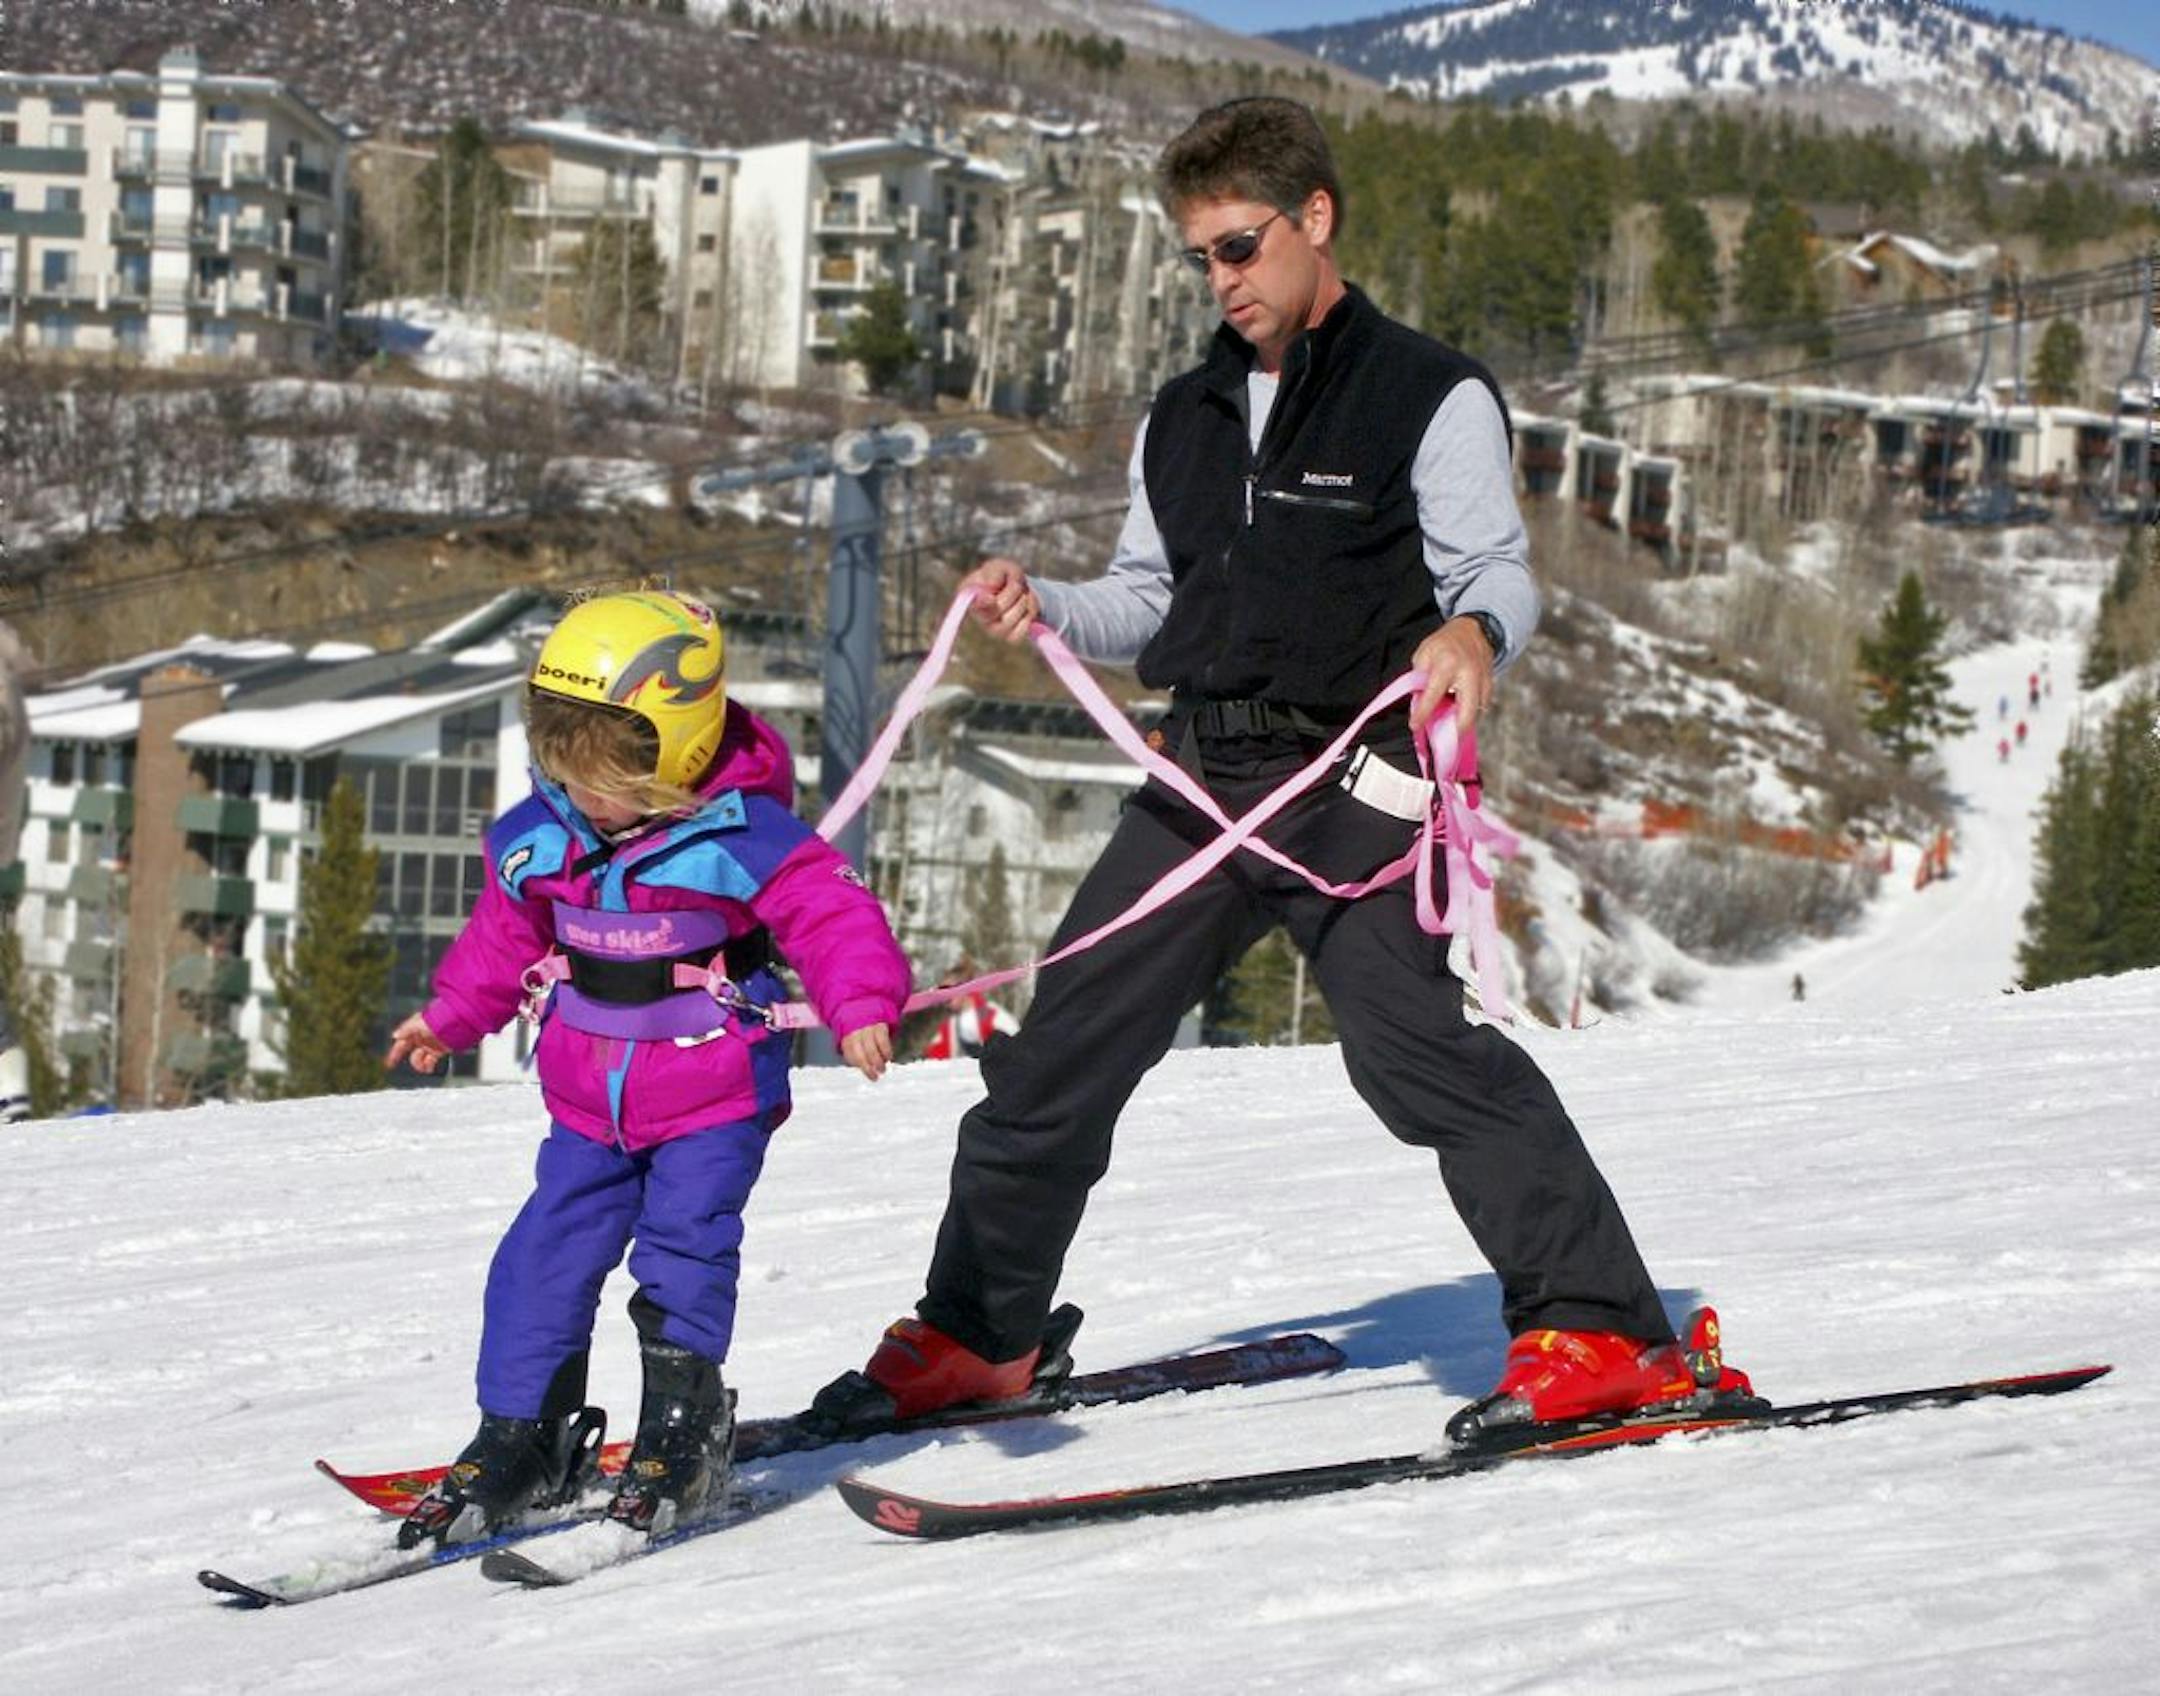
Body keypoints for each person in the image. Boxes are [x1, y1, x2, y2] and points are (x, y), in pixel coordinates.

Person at [813, 97, 1750, 1445]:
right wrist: (1050, 608)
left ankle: (1601, 1330)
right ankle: (980, 1337)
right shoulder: (1184, 414)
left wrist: (1475, 638)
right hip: (1204, 776)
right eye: (1201, 256)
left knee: (1412, 1054)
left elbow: (1494, 575)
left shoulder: (1430, 393)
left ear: (1317, 220)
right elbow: (1147, 598)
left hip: (1354, 777)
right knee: (1056, 1054)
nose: (1223, 281)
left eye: (1241, 247)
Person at [385, 590, 910, 1542]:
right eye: (567, 773)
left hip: (713, 1096)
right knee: (543, 1256)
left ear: (677, 752)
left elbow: (835, 918)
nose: (585, 799)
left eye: (606, 782)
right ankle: (522, 1434)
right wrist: (450, 1017)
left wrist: (861, 1004)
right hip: (586, 1102)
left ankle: (682, 1433)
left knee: (682, 1249)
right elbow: (501, 936)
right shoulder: (540, 835)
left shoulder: (744, 840)